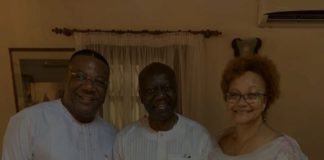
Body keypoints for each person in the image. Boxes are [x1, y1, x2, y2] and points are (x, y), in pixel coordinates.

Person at [2, 49, 116, 160]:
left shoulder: (112, 135)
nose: (89, 87)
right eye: (80, 76)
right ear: (66, 78)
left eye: (100, 81)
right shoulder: (28, 122)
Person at [209, 55, 308, 160]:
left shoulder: (284, 151)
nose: (242, 102)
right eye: (234, 95)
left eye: (252, 95)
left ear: (265, 101)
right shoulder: (220, 139)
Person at [113, 62, 214, 160]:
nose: (161, 96)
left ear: (176, 91)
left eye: (167, 88)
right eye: (151, 90)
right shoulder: (124, 139)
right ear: (141, 96)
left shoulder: (199, 137)